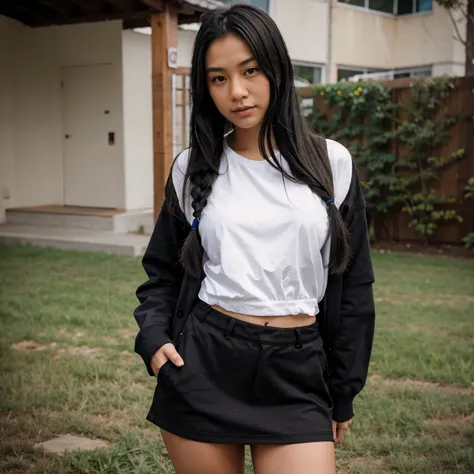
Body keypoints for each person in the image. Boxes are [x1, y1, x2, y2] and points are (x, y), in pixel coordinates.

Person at [133, 4, 375, 474]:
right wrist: (154, 337)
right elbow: (161, 271)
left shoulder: (332, 164)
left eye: (250, 71)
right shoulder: (191, 169)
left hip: (298, 371)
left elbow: (356, 288)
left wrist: (342, 391)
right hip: (203, 363)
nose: (237, 92)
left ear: (277, 69)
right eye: (218, 78)